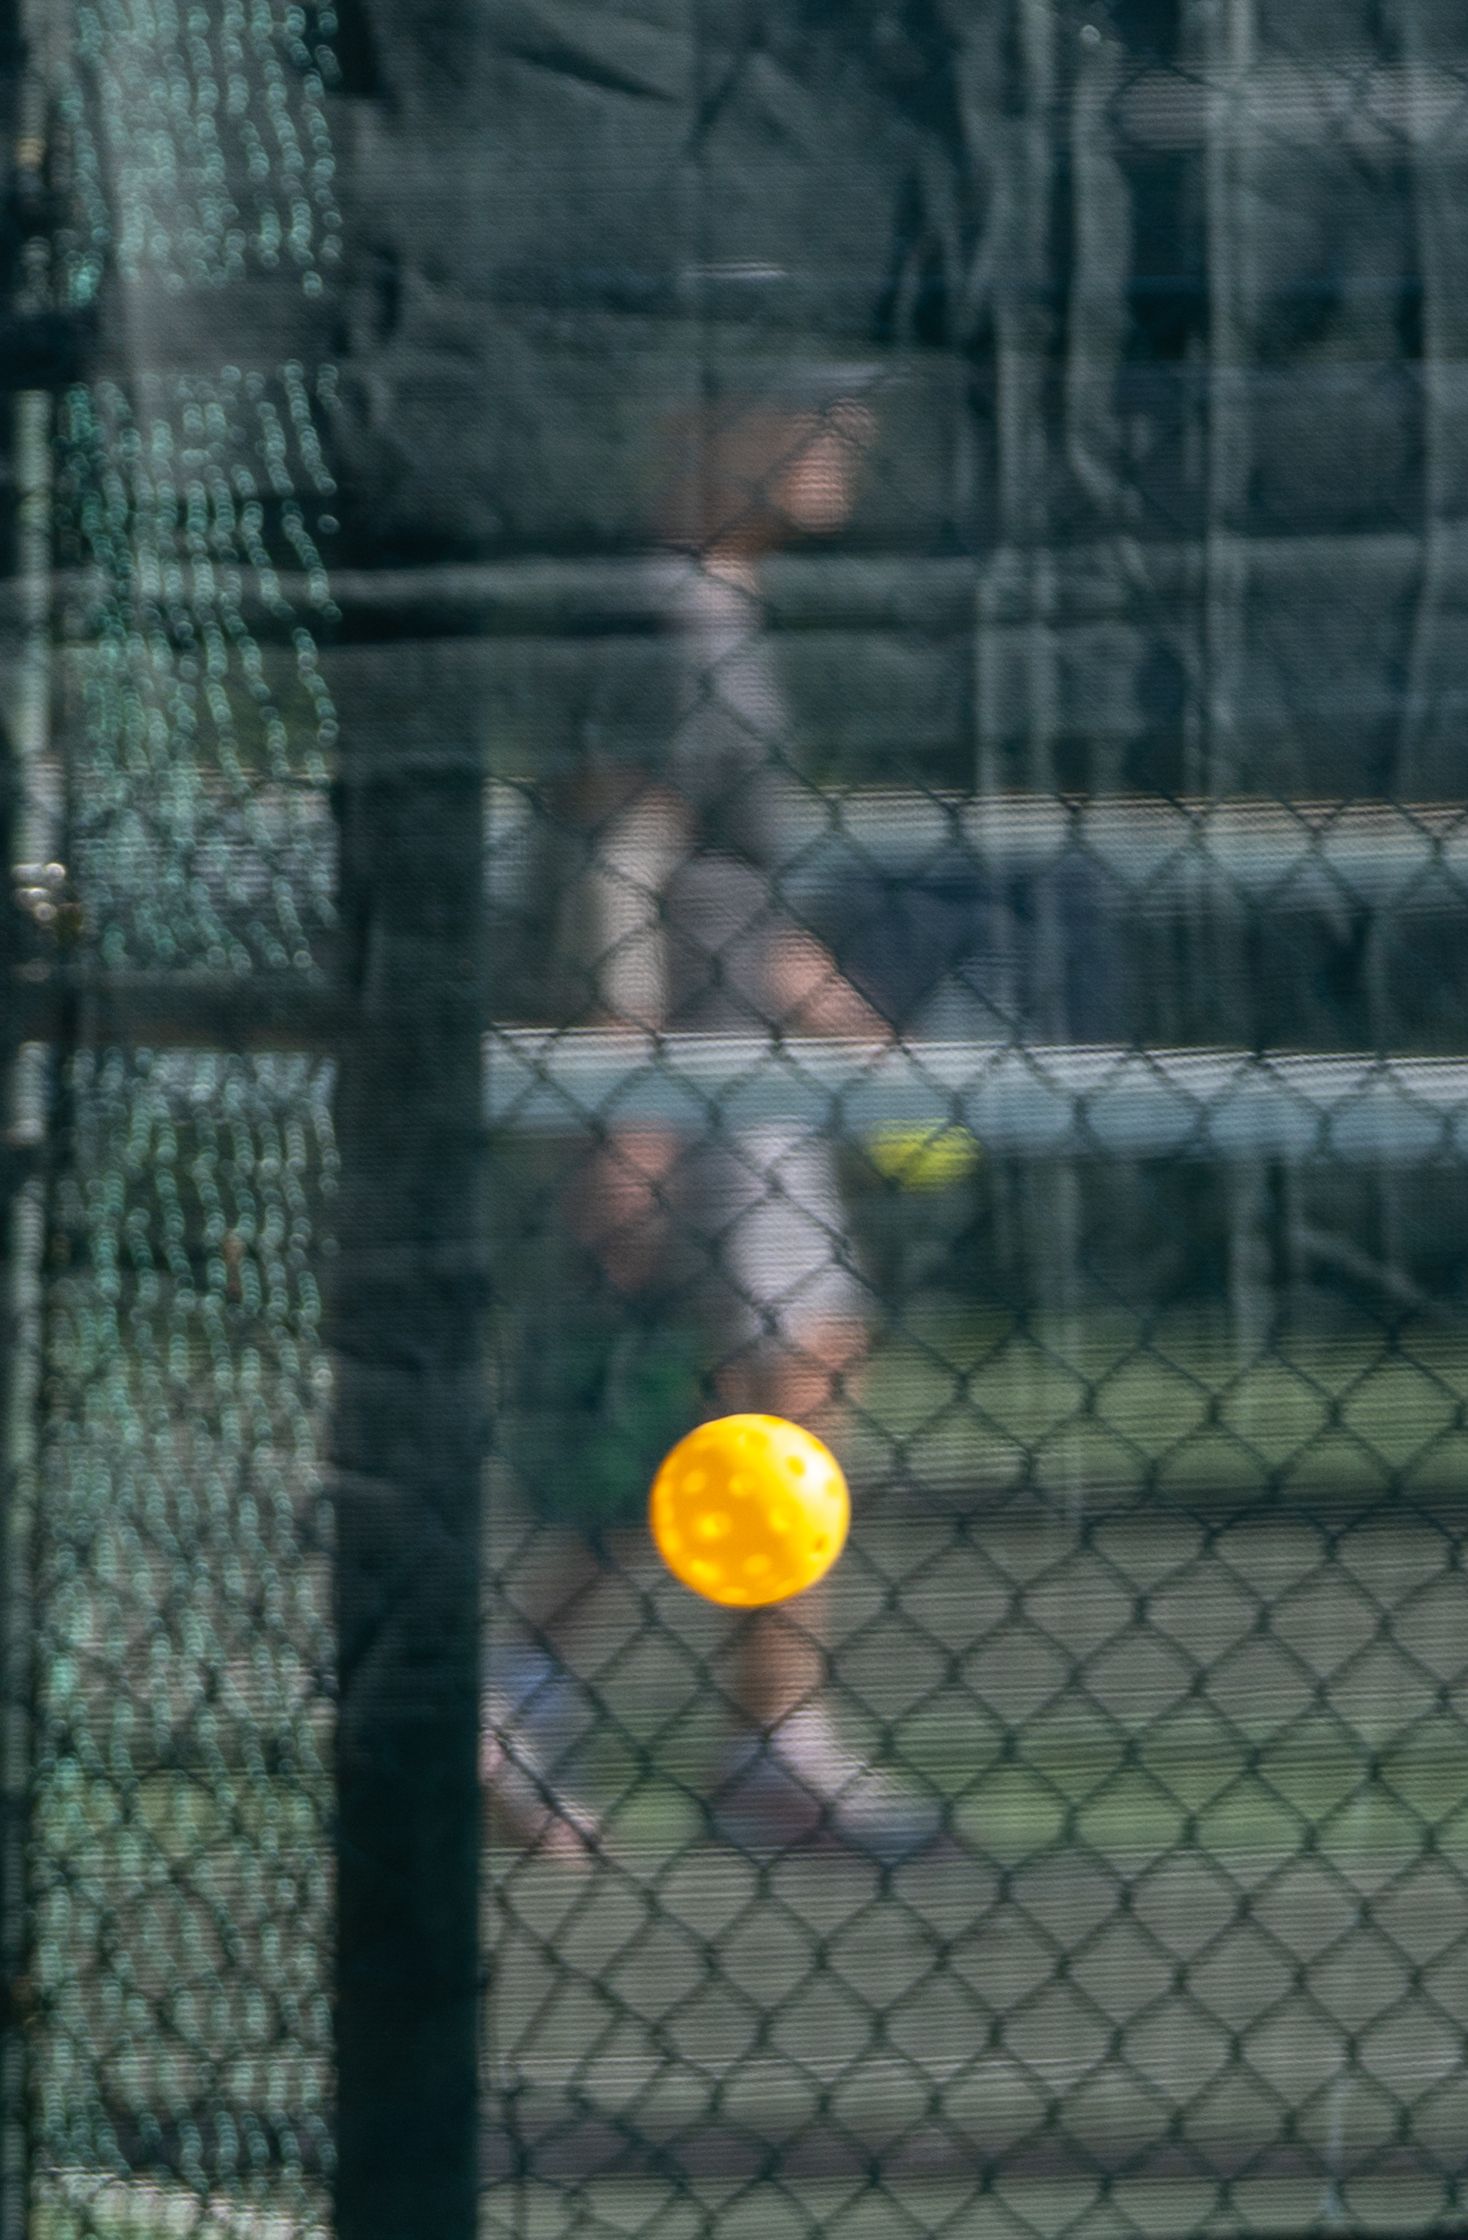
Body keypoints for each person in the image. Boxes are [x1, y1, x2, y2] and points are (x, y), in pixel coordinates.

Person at [512, 372, 940, 1866]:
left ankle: (518, 1693)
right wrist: (622, 1104)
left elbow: (721, 871)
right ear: (694, 417)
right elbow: (611, 856)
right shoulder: (658, 604)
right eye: (803, 408)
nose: (842, 439)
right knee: (779, 1376)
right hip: (687, 1079)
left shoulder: (718, 604)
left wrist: (822, 996)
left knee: (740, 1393)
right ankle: (763, 1746)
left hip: (729, 1064)